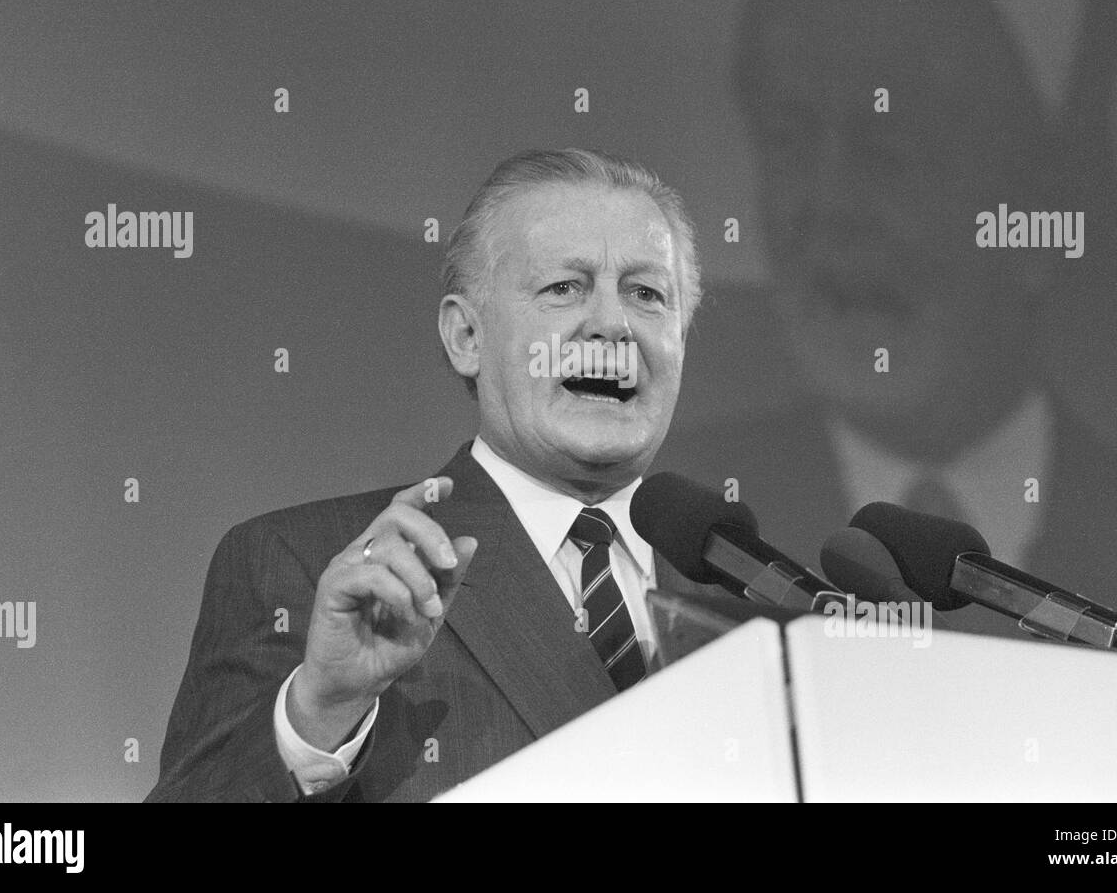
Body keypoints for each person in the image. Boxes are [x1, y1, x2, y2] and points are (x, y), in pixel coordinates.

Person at [658, 0, 1117, 661]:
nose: (828, 202)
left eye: (885, 147)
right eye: (789, 139)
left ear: (1033, 207)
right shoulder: (680, 536)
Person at [147, 149, 727, 802]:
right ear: (465, 337)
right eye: (565, 287)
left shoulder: (755, 609)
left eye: (646, 294)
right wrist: (317, 715)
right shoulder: (303, 567)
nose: (613, 325)